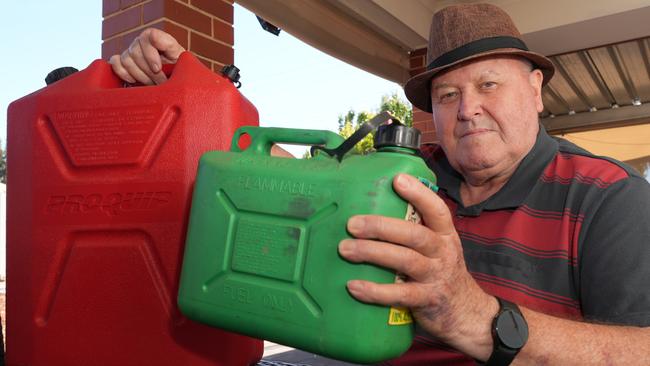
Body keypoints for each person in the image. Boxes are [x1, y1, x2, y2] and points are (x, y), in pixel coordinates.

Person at [112, 4, 650, 365]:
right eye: (446, 96)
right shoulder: (409, 175)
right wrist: (181, 82)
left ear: (535, 91)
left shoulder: (608, 196)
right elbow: (286, 182)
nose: (468, 110)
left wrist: (477, 318)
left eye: (489, 84)